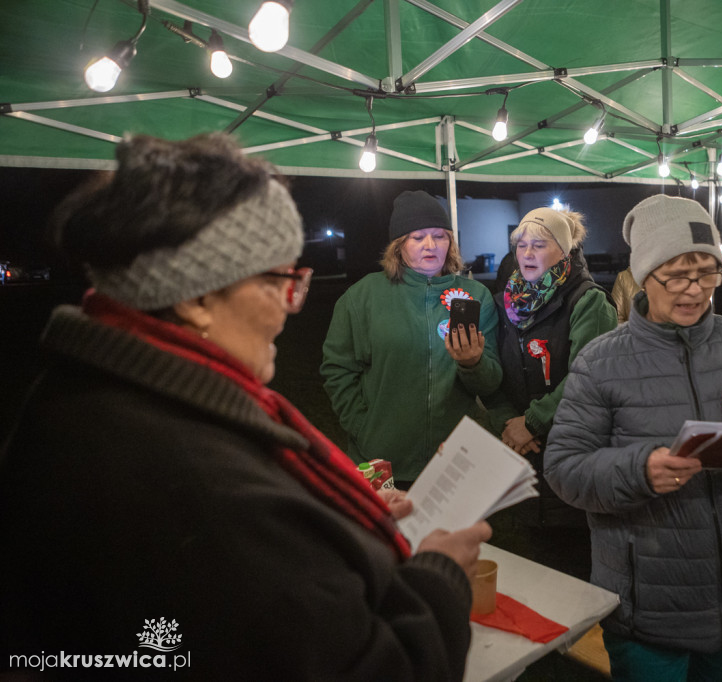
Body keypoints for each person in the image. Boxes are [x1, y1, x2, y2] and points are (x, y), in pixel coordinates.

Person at [0, 134, 491, 681]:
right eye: (279, 280)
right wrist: (441, 576)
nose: (288, 308)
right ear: (196, 296)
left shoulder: (91, 393)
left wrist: (345, 520)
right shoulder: (186, 469)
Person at [545, 194, 722, 682]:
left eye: (707, 273)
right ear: (644, 277)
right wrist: (639, 469)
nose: (694, 290)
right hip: (646, 608)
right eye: (676, 274)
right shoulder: (601, 362)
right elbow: (564, 468)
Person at [321, 190, 502, 486]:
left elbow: (491, 383)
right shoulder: (362, 297)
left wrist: (473, 363)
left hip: (452, 460)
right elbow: (337, 370)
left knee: (453, 534)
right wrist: (363, 427)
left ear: (451, 243)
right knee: (383, 534)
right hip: (382, 459)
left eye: (439, 236)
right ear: (398, 246)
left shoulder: (475, 296)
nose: (430, 245)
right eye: (417, 237)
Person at [487, 207, 617, 530]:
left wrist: (531, 422)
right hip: (519, 455)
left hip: (573, 454)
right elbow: (498, 376)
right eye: (522, 244)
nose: (527, 253)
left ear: (564, 250)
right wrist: (510, 423)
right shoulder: (509, 303)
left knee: (569, 561)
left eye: (540, 245)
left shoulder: (588, 302)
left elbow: (589, 379)